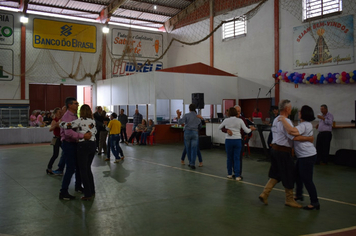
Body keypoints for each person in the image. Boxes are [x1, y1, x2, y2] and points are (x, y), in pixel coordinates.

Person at [258, 99, 313, 208]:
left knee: (276, 173)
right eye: (290, 107)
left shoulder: (276, 120)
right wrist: (309, 138)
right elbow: (293, 136)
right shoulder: (286, 121)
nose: (291, 109)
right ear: (287, 109)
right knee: (289, 174)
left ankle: (265, 193)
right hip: (283, 151)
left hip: (274, 150)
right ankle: (289, 199)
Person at [279, 105, 320, 210]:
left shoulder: (304, 125)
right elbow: (297, 136)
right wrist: (308, 138)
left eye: (301, 111)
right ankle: (299, 194)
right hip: (305, 155)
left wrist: (283, 120)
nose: (299, 113)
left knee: (307, 179)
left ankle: (315, 202)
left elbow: (291, 132)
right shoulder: (306, 124)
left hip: (307, 156)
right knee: (297, 175)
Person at [60, 104, 97, 201]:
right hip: (93, 145)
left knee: (83, 170)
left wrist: (60, 123)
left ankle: (88, 193)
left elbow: (68, 126)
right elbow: (95, 131)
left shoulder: (80, 121)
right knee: (88, 169)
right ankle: (92, 190)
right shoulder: (92, 121)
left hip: (83, 146)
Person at [219, 107, 255, 181]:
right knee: (237, 158)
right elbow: (247, 131)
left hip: (228, 140)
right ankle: (237, 175)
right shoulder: (240, 120)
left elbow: (219, 127)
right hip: (237, 140)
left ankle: (229, 174)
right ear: (236, 113)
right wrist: (251, 129)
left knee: (229, 158)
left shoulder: (226, 120)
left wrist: (227, 130)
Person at [177, 104, 203, 170]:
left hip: (187, 132)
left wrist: (178, 115)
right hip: (195, 132)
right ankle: (192, 163)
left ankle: (190, 162)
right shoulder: (198, 116)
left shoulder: (186, 115)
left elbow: (180, 122)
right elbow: (200, 125)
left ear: (189, 109)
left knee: (188, 148)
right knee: (194, 148)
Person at [46, 107, 62, 175]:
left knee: (66, 153)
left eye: (60, 113)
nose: (60, 114)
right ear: (55, 113)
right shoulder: (54, 120)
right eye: (59, 113)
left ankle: (61, 168)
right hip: (57, 139)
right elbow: (50, 129)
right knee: (55, 154)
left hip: (62, 138)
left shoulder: (61, 120)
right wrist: (55, 125)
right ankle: (49, 168)